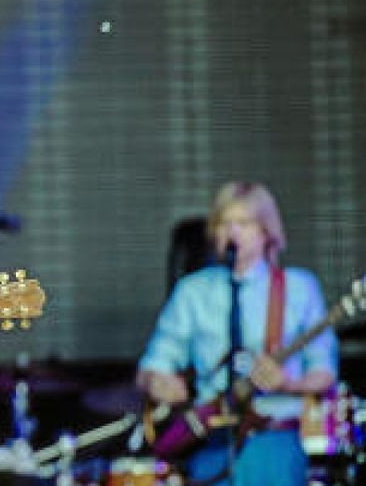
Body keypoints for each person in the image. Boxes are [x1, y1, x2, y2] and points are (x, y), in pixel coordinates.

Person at [137, 182, 338, 486]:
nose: (232, 232)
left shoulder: (298, 287)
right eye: (223, 223)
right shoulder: (192, 291)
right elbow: (154, 364)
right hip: (211, 437)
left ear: (266, 232)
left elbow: (324, 371)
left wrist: (289, 382)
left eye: (243, 223)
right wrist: (157, 382)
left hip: (273, 438)